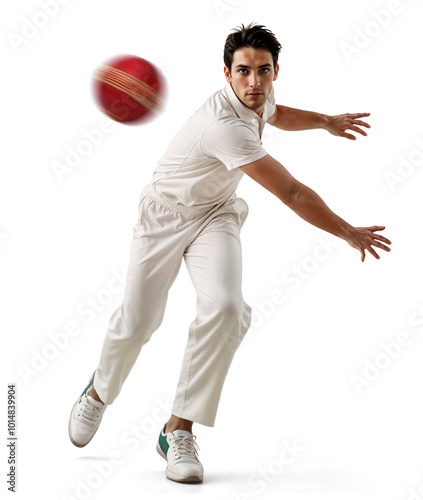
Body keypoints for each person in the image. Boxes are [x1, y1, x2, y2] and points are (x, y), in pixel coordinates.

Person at [68, 23, 392, 484]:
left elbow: (278, 114)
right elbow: (294, 193)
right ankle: (98, 393)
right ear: (227, 73)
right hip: (164, 215)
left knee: (226, 309)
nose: (254, 82)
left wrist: (325, 121)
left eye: (263, 71)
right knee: (139, 322)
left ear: (276, 70)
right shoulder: (224, 127)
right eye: (243, 72)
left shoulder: (261, 96)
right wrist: (347, 232)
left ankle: (177, 429)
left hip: (215, 214)